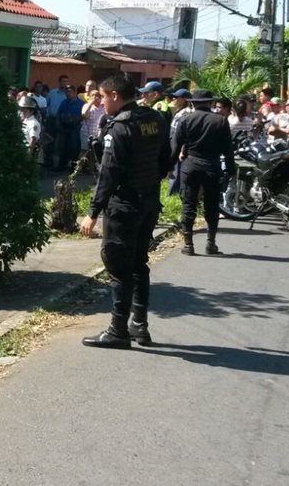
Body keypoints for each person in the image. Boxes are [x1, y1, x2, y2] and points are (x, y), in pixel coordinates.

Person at [80, 75, 171, 349]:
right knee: (139, 264)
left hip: (124, 206)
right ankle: (139, 325)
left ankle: (117, 331)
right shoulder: (155, 120)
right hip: (149, 201)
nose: (101, 102)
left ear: (115, 96)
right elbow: (165, 160)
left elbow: (109, 173)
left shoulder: (119, 128)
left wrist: (92, 212)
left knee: (118, 266)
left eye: (103, 96)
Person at [170, 89, 235, 256]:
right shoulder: (220, 121)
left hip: (190, 166)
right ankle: (210, 243)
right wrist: (230, 169)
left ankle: (188, 244)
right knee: (212, 206)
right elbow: (228, 150)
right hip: (211, 166)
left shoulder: (185, 120)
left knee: (188, 205)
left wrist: (168, 168)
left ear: (193, 103)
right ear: (210, 103)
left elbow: (176, 147)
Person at [56, 84, 85, 171]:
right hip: (64, 127)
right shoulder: (64, 102)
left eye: (70, 91)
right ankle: (62, 166)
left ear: (75, 92)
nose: (68, 93)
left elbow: (83, 116)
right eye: (66, 92)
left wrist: (76, 120)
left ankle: (73, 167)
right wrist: (58, 124)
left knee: (74, 147)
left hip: (75, 128)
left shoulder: (81, 103)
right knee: (63, 146)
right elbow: (59, 114)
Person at [45, 76, 70, 169]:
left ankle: (58, 163)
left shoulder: (67, 95)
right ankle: (48, 160)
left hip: (62, 120)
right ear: (59, 82)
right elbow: (46, 104)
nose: (65, 83)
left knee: (60, 142)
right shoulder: (52, 92)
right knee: (49, 140)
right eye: (63, 81)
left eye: (67, 81)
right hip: (51, 119)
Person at [80, 88, 106, 153]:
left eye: (97, 95)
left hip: (99, 135)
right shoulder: (86, 106)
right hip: (87, 134)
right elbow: (84, 115)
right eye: (93, 95)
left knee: (97, 153)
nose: (95, 97)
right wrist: (91, 103)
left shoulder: (103, 107)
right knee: (85, 153)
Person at [19, 95, 43, 165]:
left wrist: (28, 155)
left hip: (32, 152)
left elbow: (33, 139)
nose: (22, 112)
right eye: (22, 109)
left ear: (31, 111)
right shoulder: (25, 121)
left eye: (25, 110)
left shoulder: (33, 123)